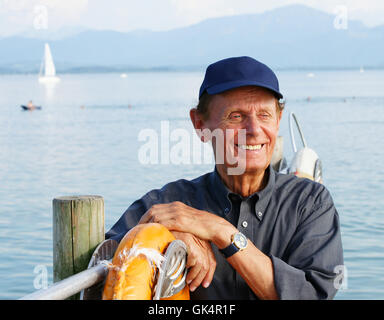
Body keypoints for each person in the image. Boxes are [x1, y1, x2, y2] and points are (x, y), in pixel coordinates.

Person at [106, 56, 344, 300]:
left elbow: (312, 295)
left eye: (264, 115)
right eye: (236, 116)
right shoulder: (168, 204)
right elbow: (101, 262)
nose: (254, 130)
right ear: (200, 124)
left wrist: (222, 232)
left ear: (278, 121)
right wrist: (168, 239)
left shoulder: (310, 203)